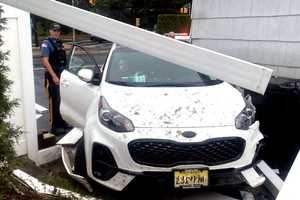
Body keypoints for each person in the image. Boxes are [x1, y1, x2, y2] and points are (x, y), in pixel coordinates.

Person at [41, 23, 69, 135]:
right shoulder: (46, 44)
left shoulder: (59, 43)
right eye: (54, 30)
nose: (57, 32)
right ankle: (55, 127)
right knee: (55, 101)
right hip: (53, 77)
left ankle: (62, 123)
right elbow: (45, 61)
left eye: (58, 31)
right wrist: (53, 76)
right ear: (50, 31)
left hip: (62, 76)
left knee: (62, 100)